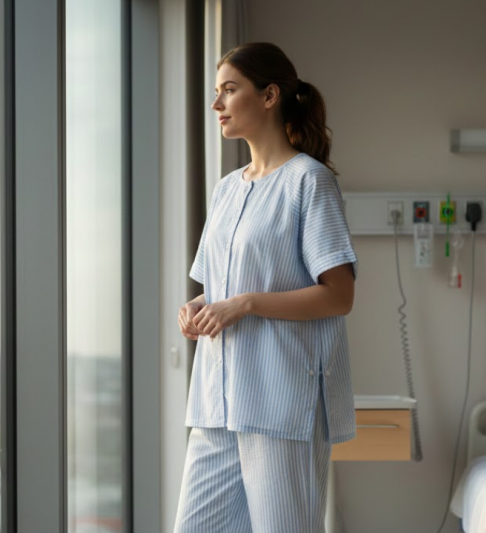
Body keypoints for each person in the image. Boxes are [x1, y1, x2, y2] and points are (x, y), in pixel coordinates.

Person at [174, 42, 358, 533]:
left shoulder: (309, 182)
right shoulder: (227, 187)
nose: (217, 105)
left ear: (270, 95)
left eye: (229, 91)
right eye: (216, 92)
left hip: (281, 403)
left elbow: (339, 295)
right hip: (216, 402)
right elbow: (219, 284)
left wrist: (246, 304)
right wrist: (198, 306)